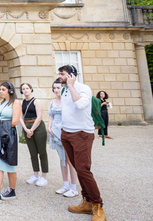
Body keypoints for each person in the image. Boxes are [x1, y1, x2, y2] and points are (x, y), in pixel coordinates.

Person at [58, 65, 106, 220]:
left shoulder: (83, 88)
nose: (59, 76)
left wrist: (71, 86)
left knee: (83, 169)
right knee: (79, 169)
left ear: (72, 76)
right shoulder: (64, 90)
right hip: (67, 134)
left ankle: (97, 205)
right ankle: (86, 202)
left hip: (82, 134)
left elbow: (80, 105)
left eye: (62, 74)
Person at [48, 79, 79, 197]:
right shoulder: (52, 102)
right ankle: (65, 184)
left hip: (66, 131)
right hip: (55, 132)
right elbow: (51, 116)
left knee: (70, 160)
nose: (56, 90)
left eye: (58, 87)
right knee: (62, 160)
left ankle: (73, 187)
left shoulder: (68, 101)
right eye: (54, 88)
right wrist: (49, 127)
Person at [19, 83, 49, 187]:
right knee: (32, 152)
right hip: (27, 127)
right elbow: (20, 117)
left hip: (37, 127)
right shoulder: (22, 102)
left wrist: (31, 130)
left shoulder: (37, 101)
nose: (25, 90)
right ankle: (35, 174)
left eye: (27, 88)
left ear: (31, 89)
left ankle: (44, 176)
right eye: (23, 89)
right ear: (21, 91)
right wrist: (26, 130)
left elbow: (39, 117)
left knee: (42, 152)